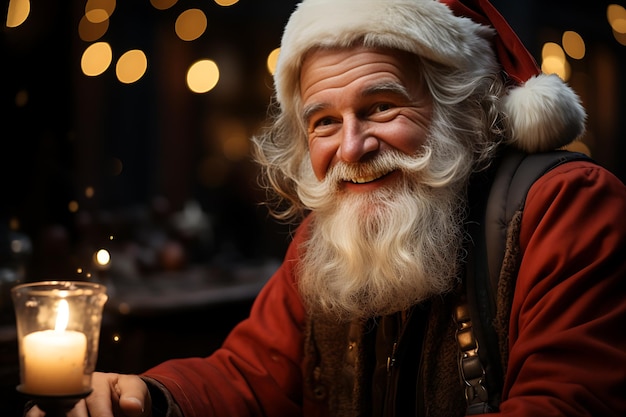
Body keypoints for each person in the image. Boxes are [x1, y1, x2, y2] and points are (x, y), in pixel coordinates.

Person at [27, 0, 626, 416]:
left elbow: (567, 403)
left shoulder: (566, 204)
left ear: (459, 110)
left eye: (382, 107)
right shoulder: (330, 236)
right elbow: (249, 380)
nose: (350, 148)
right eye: (324, 122)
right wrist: (147, 397)